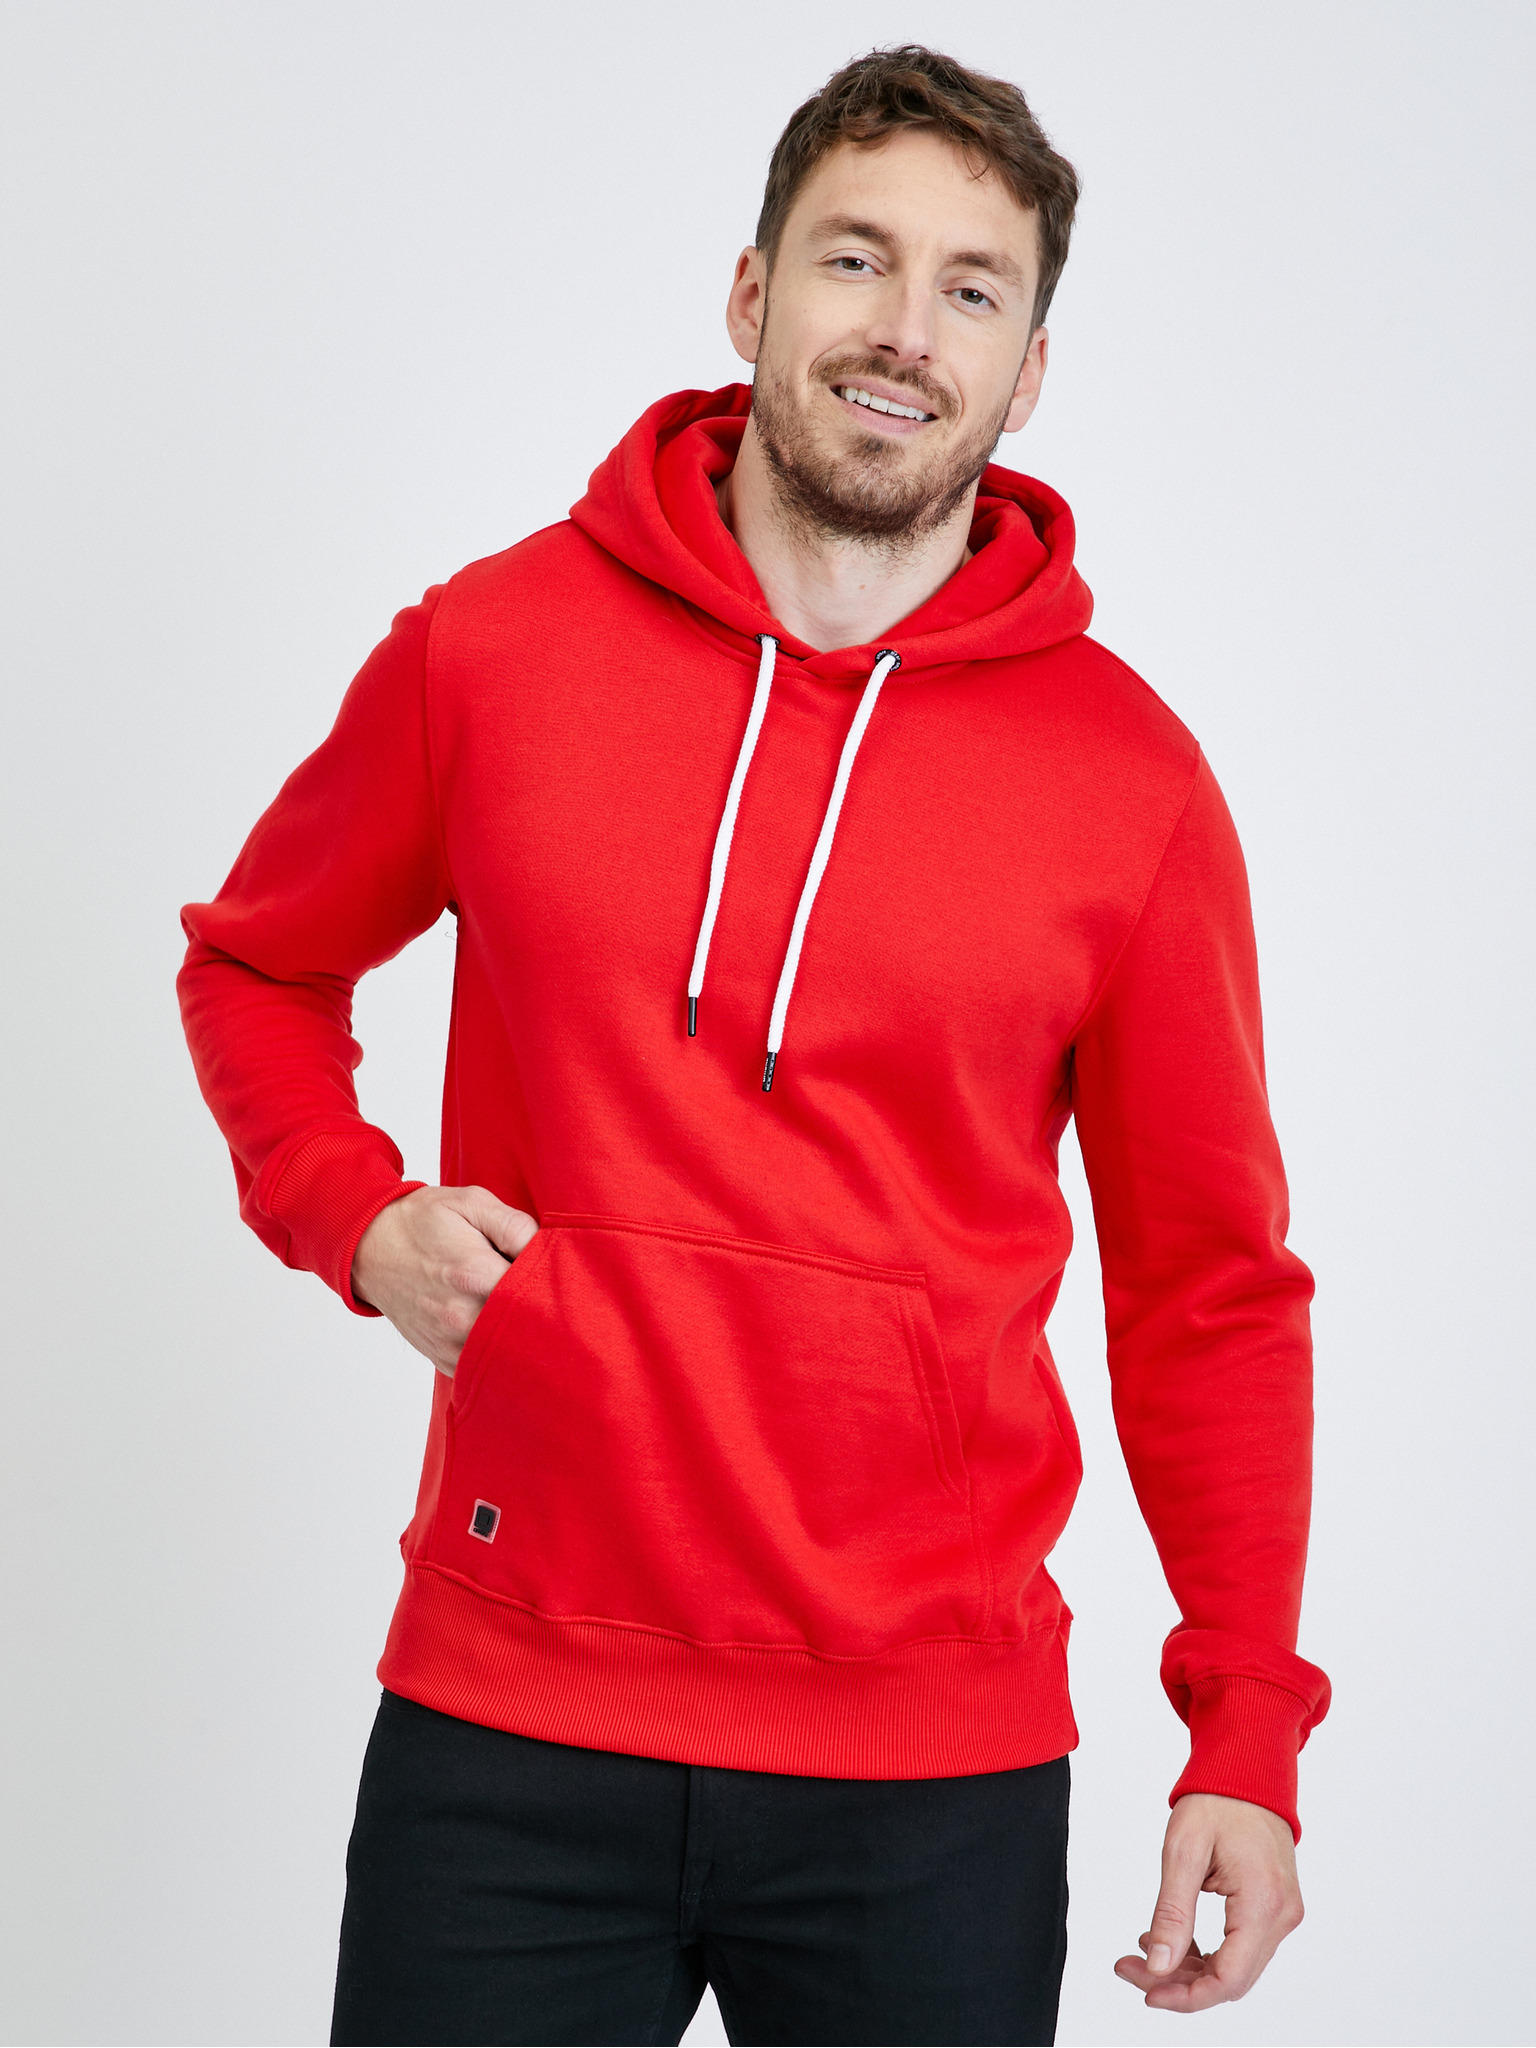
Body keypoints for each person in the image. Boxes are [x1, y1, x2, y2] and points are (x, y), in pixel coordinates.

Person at [178, 43, 1331, 2048]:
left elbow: (1211, 1290)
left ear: (1027, 373)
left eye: (971, 289)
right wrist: (351, 1216)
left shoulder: (1132, 788)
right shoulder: (493, 652)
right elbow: (256, 967)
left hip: (933, 1768)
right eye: (854, 259)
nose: (904, 332)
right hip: (509, 1718)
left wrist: (1246, 1726)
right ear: (750, 292)